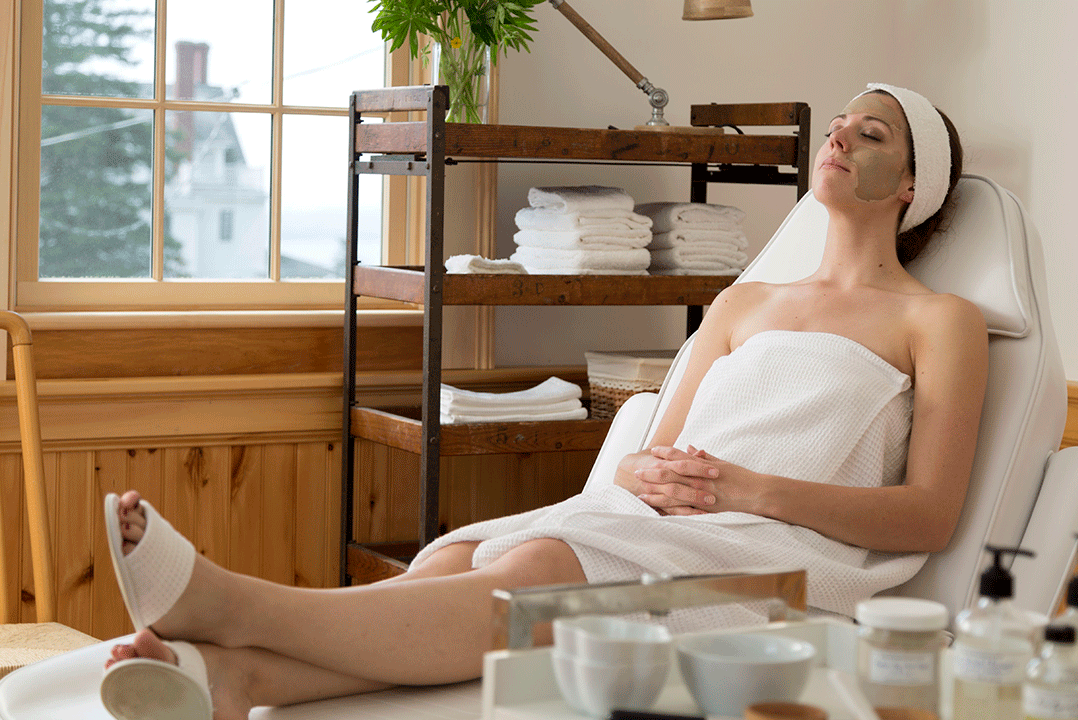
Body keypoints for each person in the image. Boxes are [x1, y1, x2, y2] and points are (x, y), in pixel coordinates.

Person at [99, 84, 987, 720]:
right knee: (458, 562)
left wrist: (747, 491)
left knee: (534, 571)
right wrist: (651, 471)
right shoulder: (746, 303)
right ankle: (236, 682)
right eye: (837, 125)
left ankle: (231, 605)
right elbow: (654, 456)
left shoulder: (939, 322)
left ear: (912, 187)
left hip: (782, 563)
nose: (838, 138)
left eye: (869, 135)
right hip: (661, 523)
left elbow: (930, 516)